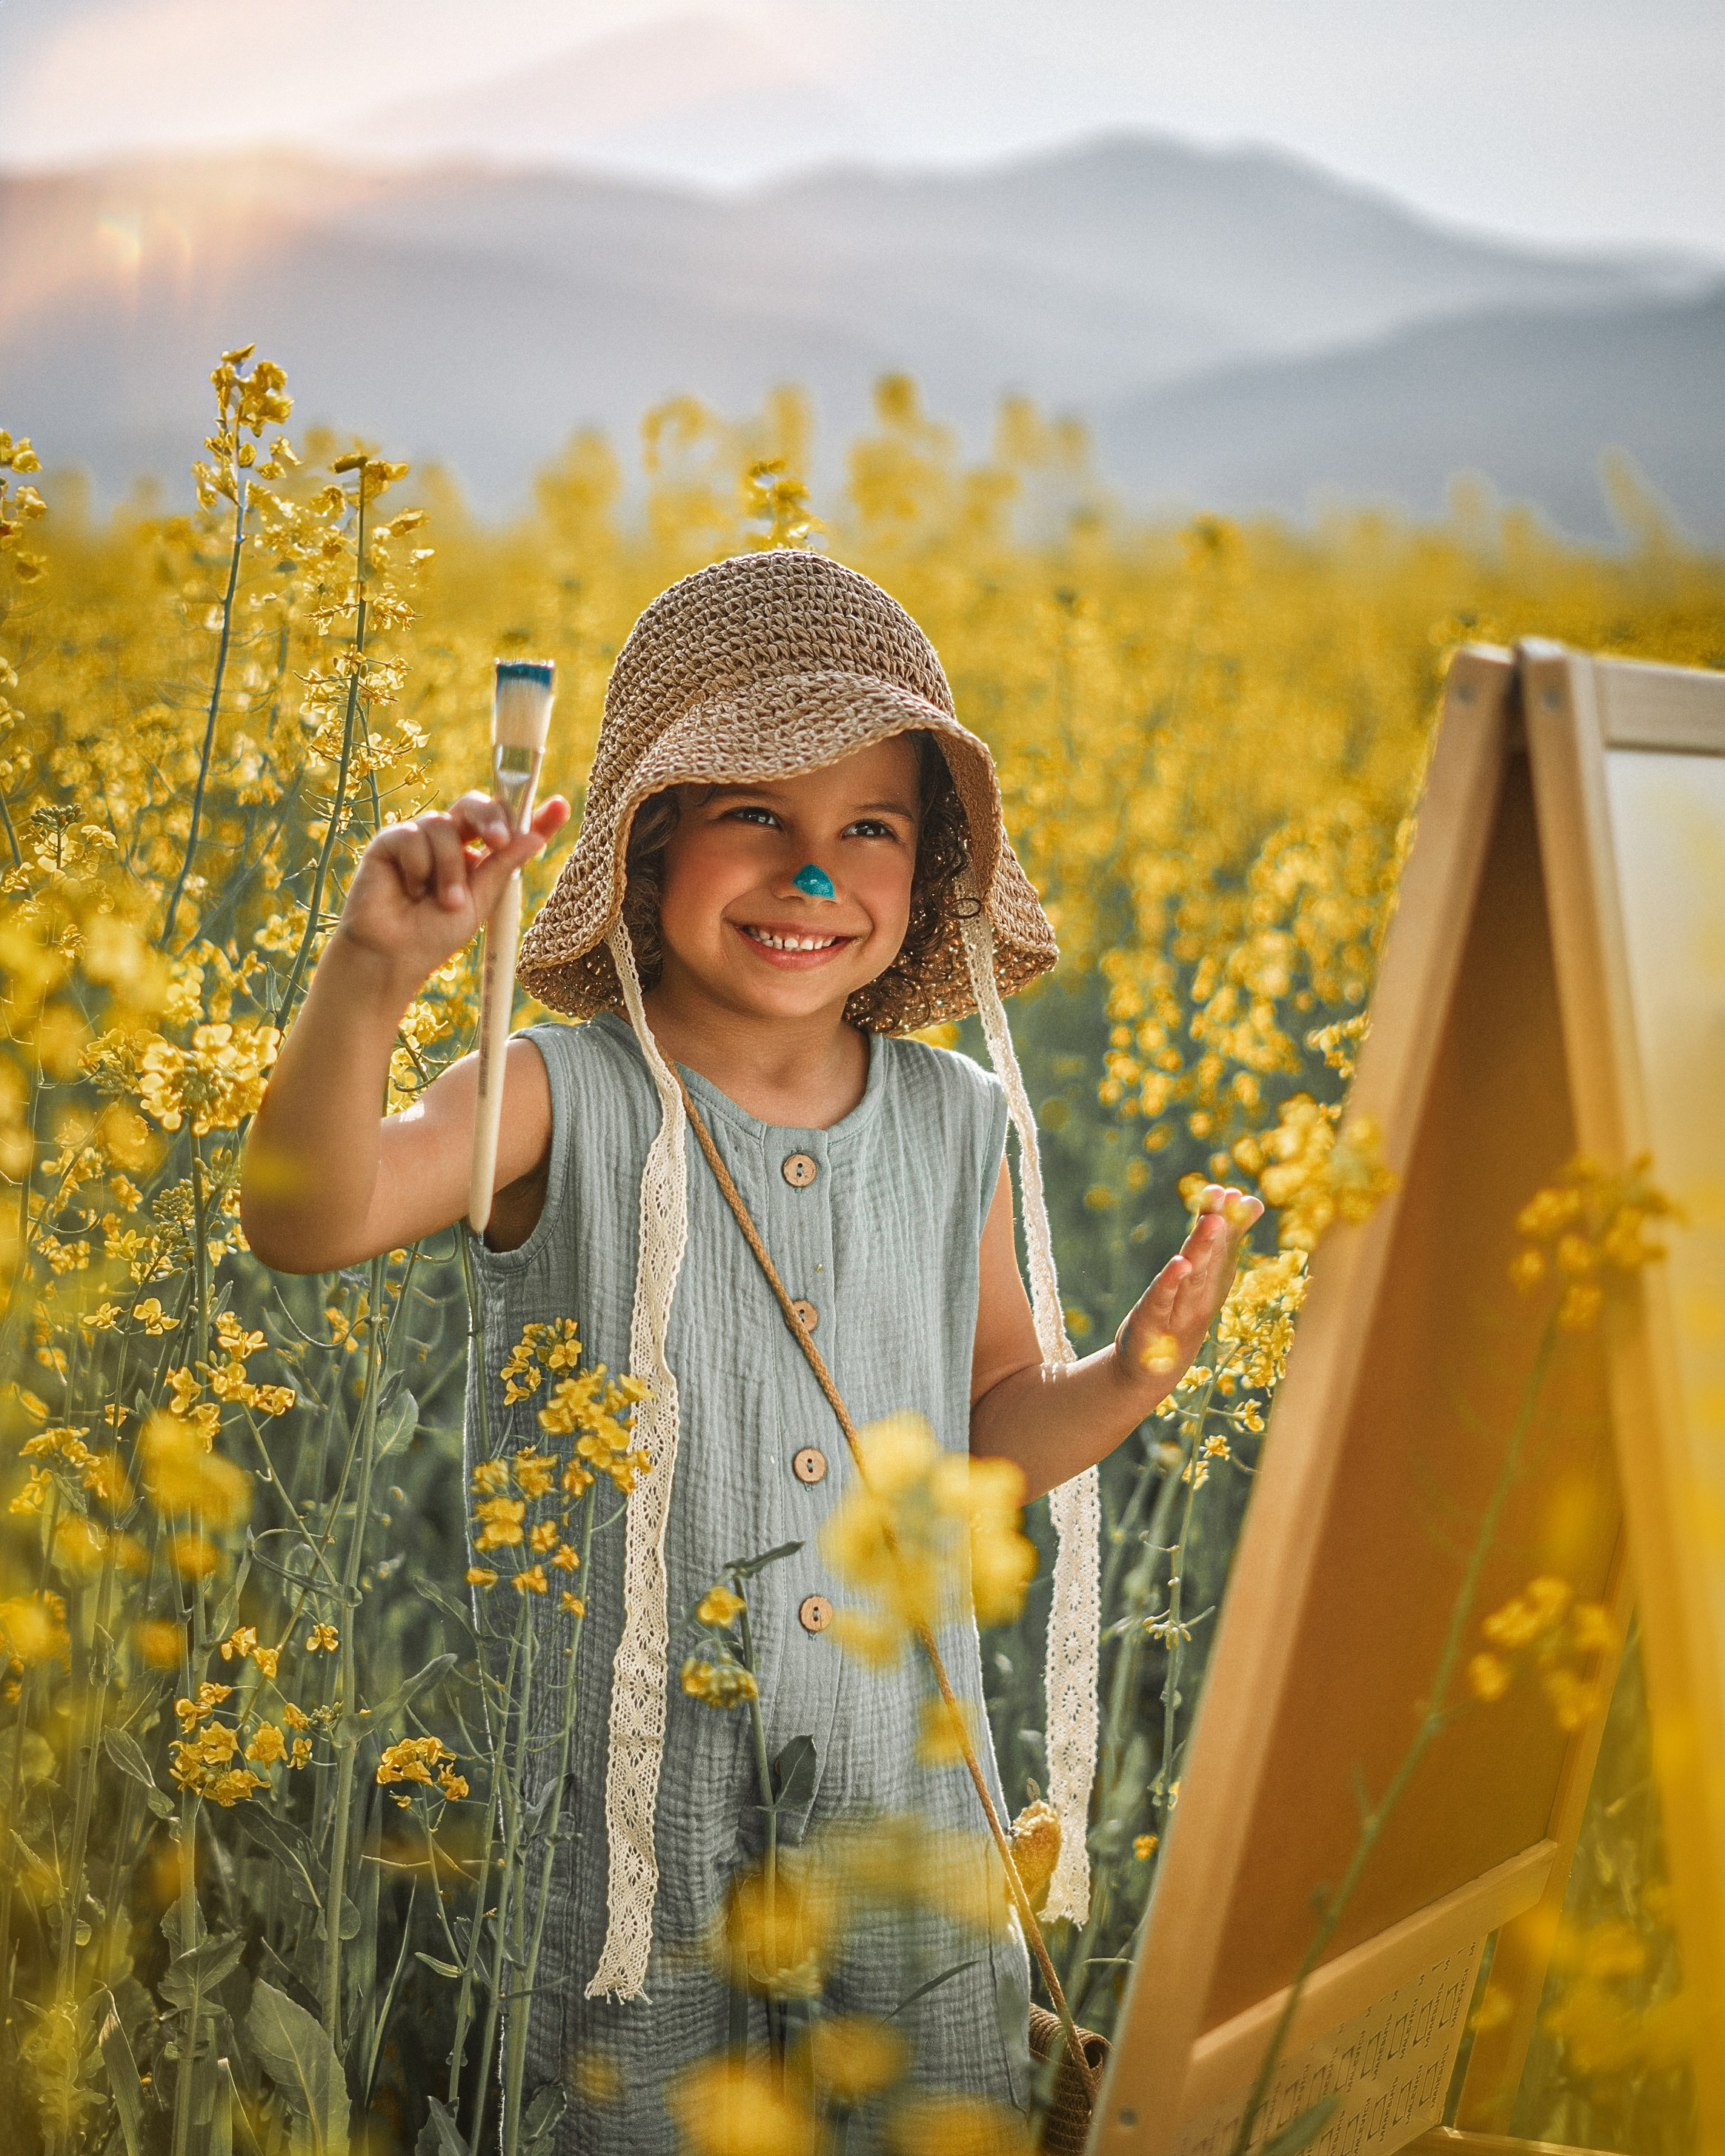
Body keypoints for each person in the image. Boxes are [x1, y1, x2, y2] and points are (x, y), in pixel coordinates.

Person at [242, 549, 1262, 2149]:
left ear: (926, 875)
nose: (812, 876)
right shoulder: (555, 1092)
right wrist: (374, 973)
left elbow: (993, 1427)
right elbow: (310, 1217)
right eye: (754, 816)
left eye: (870, 830)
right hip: (625, 1826)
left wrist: (1133, 1370)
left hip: (903, 1798)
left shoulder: (954, 1120)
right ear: (648, 846)